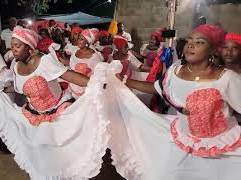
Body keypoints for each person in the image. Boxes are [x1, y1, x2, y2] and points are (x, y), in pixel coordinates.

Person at [102, 24, 241, 180]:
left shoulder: (227, 78)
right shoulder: (175, 71)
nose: (191, 45)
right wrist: (126, 81)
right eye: (189, 41)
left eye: (200, 42)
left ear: (213, 49)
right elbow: (157, 88)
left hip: (221, 148)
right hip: (182, 141)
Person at [0, 27, 111, 179]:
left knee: (64, 154)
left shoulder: (44, 61)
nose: (13, 49)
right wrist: (0, 90)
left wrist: (95, 82)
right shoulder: (15, 67)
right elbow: (20, 90)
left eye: (18, 46)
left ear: (29, 48)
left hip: (58, 114)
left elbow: (70, 76)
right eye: (12, 45)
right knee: (41, 156)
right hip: (35, 118)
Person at [68, 29, 103, 98]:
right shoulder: (75, 50)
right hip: (73, 85)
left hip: (85, 90)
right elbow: (72, 64)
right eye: (78, 38)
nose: (78, 41)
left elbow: (97, 76)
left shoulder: (95, 58)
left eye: (81, 39)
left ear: (88, 42)